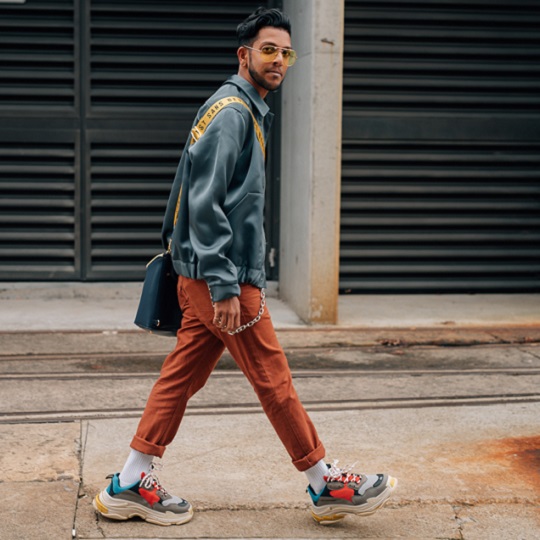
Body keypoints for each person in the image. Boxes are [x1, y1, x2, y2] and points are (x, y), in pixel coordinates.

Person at [92, 7, 397, 527]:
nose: (278, 60)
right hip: (223, 281)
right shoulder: (233, 112)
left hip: (207, 278)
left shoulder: (241, 109)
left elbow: (188, 195)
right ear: (245, 55)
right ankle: (325, 483)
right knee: (273, 378)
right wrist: (223, 283)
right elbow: (205, 205)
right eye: (268, 50)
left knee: (179, 378)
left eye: (285, 52)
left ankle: (127, 481)